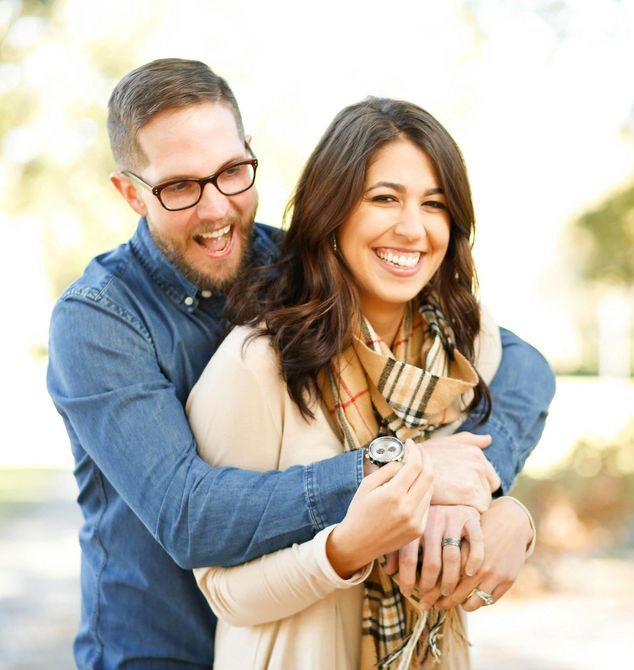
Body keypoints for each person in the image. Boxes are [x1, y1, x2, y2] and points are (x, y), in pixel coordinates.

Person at [46, 58, 555, 669]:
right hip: (156, 650)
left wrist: (479, 490)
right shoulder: (99, 319)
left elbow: (521, 365)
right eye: (179, 186)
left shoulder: (298, 266)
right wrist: (395, 471)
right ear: (130, 192)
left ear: (250, 155)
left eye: (232, 172)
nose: (215, 210)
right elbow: (190, 514)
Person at [186, 97, 538, 670]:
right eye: (384, 199)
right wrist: (348, 546)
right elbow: (222, 588)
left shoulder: (464, 345)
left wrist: (511, 518)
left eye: (434, 204)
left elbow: (474, 476)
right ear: (334, 213)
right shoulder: (259, 363)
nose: (412, 228)